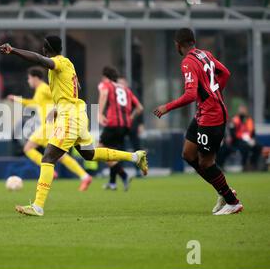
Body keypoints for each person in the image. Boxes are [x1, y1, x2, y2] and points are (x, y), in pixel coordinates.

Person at [0, 36, 148, 217]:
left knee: (48, 158)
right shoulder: (69, 64)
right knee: (88, 154)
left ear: (46, 48)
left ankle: (38, 206)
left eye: (43, 48)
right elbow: (77, 87)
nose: (42, 51)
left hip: (70, 117)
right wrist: (60, 107)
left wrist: (13, 51)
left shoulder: (58, 62)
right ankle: (135, 156)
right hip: (76, 114)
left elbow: (38, 59)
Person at [153, 28, 243, 216]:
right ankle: (223, 191)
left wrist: (166, 107)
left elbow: (190, 94)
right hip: (204, 113)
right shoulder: (205, 54)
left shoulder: (187, 62)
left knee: (206, 162)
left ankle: (232, 202)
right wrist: (215, 93)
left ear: (178, 45)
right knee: (188, 154)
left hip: (212, 116)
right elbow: (225, 73)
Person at [8, 66, 93, 191]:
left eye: (29, 78)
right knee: (60, 156)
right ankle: (84, 176)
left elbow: (59, 95)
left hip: (49, 126)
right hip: (51, 125)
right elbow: (33, 103)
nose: (28, 81)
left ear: (35, 78)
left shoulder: (44, 88)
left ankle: (49, 171)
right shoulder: (39, 91)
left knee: (28, 148)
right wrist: (16, 99)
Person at [98, 67, 143, 191]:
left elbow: (104, 94)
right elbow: (139, 107)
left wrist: (99, 113)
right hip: (124, 126)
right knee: (111, 153)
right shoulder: (126, 89)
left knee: (99, 150)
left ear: (105, 77)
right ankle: (113, 183)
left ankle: (124, 174)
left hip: (113, 123)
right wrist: (130, 117)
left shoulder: (106, 85)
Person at [218, 105, 262, 171]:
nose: (242, 111)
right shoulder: (235, 119)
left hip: (249, 140)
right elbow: (232, 133)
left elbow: (253, 132)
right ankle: (244, 165)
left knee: (258, 146)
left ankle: (253, 164)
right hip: (237, 141)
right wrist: (242, 139)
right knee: (244, 147)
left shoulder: (249, 120)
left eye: (244, 109)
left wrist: (252, 139)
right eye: (241, 109)